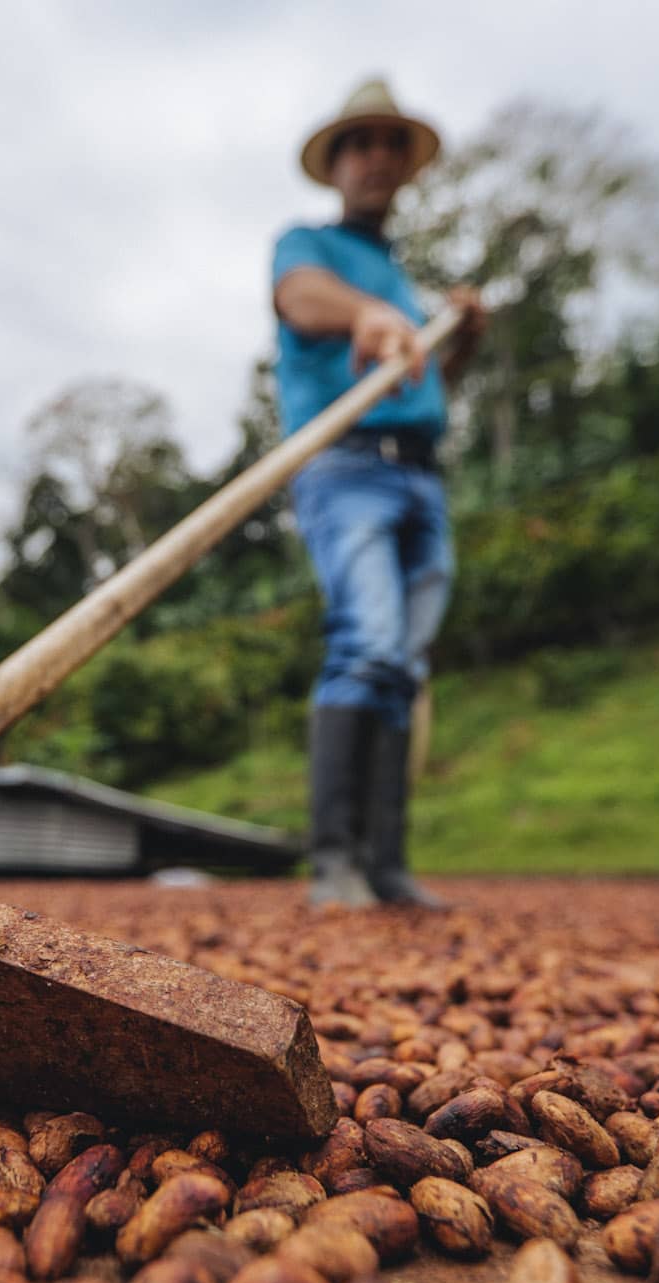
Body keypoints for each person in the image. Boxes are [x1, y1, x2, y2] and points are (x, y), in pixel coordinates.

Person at [271, 78, 485, 909]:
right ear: (337, 164)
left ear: (404, 164)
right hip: (345, 465)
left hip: (419, 475)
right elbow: (300, 299)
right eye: (359, 143)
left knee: (403, 663)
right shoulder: (308, 247)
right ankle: (332, 862)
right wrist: (363, 312)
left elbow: (428, 389)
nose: (376, 158)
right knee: (367, 640)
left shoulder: (404, 282)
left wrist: (459, 340)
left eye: (389, 144)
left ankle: (384, 861)